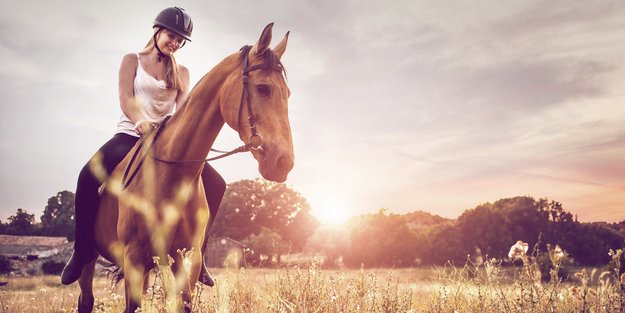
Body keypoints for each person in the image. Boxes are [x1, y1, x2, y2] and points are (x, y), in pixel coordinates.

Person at [61, 7, 225, 287]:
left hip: (166, 142)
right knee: (87, 176)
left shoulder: (182, 72)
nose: (174, 43)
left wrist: (188, 138)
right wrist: (140, 121)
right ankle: (81, 251)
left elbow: (184, 111)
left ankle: (200, 255)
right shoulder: (132, 60)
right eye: (171, 36)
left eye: (180, 40)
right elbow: (126, 98)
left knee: (217, 183)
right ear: (157, 31)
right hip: (130, 135)